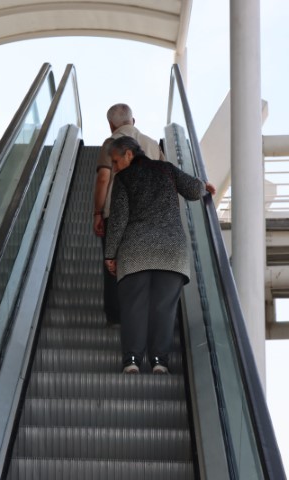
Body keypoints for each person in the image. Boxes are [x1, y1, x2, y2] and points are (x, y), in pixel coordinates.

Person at [103, 136, 216, 374]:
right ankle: (159, 362)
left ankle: (132, 360)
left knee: (134, 306)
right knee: (163, 308)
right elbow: (194, 189)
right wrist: (204, 186)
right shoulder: (166, 169)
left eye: (115, 161)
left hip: (135, 252)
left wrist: (110, 254)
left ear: (129, 155)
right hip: (171, 253)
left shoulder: (124, 179)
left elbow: (118, 220)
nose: (114, 167)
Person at [93, 103, 164, 325]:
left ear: (111, 125)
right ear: (133, 121)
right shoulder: (152, 145)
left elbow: (104, 178)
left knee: (114, 265)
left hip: (116, 214)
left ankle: (116, 318)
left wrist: (97, 212)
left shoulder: (111, 143)